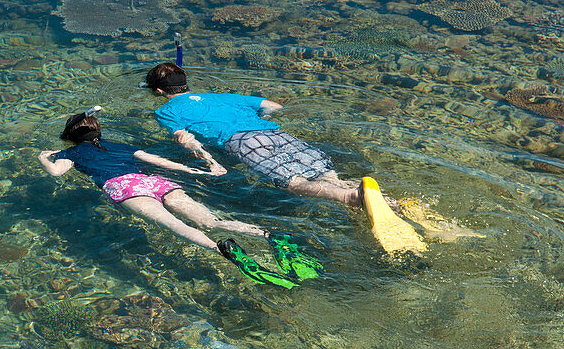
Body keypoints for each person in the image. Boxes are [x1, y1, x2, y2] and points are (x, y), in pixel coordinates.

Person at [38, 108, 321, 286]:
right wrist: (199, 169)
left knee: (177, 227)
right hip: (153, 181)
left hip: (125, 188)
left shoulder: (70, 153)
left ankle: (223, 251)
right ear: (99, 131)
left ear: (71, 137)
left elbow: (56, 174)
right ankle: (268, 235)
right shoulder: (120, 146)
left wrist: (44, 159)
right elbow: (159, 161)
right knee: (210, 220)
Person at [144, 62, 364, 206]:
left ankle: (348, 196)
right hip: (275, 133)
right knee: (321, 172)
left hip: (244, 142)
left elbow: (185, 139)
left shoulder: (166, 111)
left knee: (293, 183)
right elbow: (273, 106)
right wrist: (258, 122)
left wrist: (211, 163)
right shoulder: (221, 96)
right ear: (185, 85)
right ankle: (361, 194)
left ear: (159, 91)